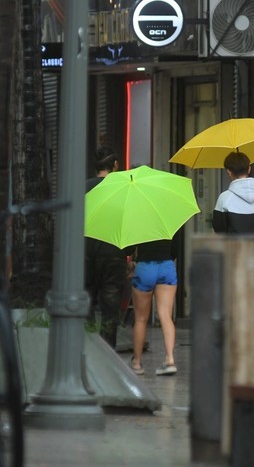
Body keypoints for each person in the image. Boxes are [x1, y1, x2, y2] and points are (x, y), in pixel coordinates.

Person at [85, 146, 130, 349]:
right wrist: (130, 252)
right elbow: (129, 223)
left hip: (86, 254)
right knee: (110, 308)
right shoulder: (123, 190)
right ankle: (107, 351)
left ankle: (87, 347)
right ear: (115, 166)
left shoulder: (83, 188)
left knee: (85, 302)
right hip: (113, 254)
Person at [128, 233, 180, 376]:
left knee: (140, 318)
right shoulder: (168, 219)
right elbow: (176, 248)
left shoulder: (138, 220)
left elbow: (128, 249)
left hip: (145, 266)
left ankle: (137, 363)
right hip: (167, 266)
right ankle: (170, 360)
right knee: (165, 315)